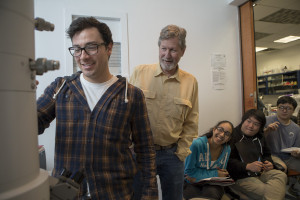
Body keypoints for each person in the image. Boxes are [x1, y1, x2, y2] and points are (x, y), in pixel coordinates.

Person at [37, 17, 158, 200]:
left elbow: (146, 151)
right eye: (77, 49)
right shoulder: (61, 88)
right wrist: (17, 98)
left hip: (115, 194)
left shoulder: (131, 95)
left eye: (91, 47)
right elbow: (31, 124)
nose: (83, 56)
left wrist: (149, 195)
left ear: (109, 48)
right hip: (66, 194)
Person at [130, 24, 199, 200]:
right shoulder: (140, 72)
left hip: (172, 155)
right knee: (138, 197)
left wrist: (181, 152)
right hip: (141, 152)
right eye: (164, 49)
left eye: (173, 50)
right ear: (159, 47)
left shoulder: (191, 82)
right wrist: (129, 146)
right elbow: (125, 112)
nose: (167, 55)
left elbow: (192, 121)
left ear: (183, 51)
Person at [227, 109, 287, 200]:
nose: (251, 126)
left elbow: (267, 154)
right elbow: (228, 161)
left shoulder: (260, 136)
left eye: (256, 124)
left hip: (261, 172)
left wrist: (269, 162)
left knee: (281, 175)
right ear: (243, 120)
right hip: (241, 176)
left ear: (260, 127)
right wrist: (247, 166)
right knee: (271, 191)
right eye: (248, 121)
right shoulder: (232, 136)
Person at [183, 121, 234, 200]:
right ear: (214, 130)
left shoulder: (227, 149)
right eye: (220, 129)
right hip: (191, 183)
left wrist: (220, 174)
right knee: (194, 196)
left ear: (229, 138)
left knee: (211, 194)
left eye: (227, 133)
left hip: (212, 183)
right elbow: (189, 172)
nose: (222, 135)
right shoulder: (196, 145)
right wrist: (215, 173)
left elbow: (221, 173)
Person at [264, 96, 300, 197]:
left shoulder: (296, 128)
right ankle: (279, 193)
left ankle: (294, 186)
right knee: (281, 168)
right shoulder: (266, 120)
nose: (284, 110)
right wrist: (266, 131)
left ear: (293, 111)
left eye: (288, 108)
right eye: (281, 107)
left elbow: (297, 148)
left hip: (289, 157)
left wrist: (297, 155)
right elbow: (255, 139)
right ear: (277, 108)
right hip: (272, 155)